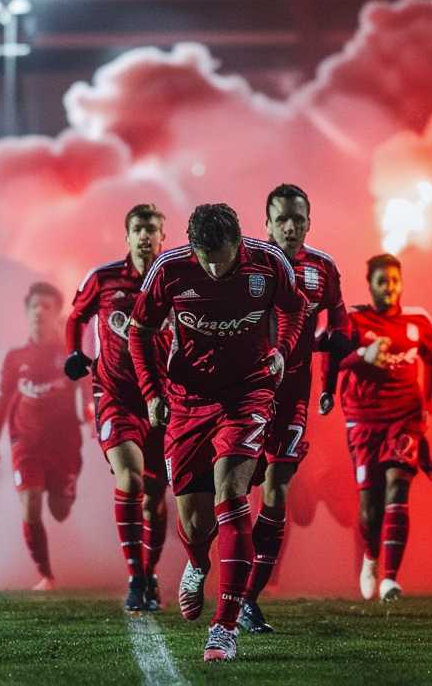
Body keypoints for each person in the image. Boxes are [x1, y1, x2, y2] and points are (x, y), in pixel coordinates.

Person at [128, 203, 306, 662]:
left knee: (232, 492)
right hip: (188, 399)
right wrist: (151, 392)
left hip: (248, 393)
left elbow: (294, 309)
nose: (212, 267)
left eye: (220, 259)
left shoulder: (268, 263)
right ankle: (198, 562)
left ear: (238, 245)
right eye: (204, 258)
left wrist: (283, 349)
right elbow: (139, 331)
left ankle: (224, 627)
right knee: (194, 523)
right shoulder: (169, 269)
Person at [239, 183, 349, 633]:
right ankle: (208, 564)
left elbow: (339, 324)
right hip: (244, 393)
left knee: (278, 488)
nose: (290, 226)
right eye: (281, 218)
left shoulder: (322, 268)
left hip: (293, 395)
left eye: (298, 219)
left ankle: (248, 598)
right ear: (266, 222)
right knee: (235, 487)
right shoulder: (246, 263)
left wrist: (331, 382)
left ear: (309, 221)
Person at [64, 204, 171, 611]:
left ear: (164, 237)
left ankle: (149, 571)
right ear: (126, 236)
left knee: (155, 499)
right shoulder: (103, 279)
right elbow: (76, 317)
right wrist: (74, 352)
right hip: (114, 396)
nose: (145, 236)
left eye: (152, 229)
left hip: (162, 402)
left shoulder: (176, 281)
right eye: (138, 229)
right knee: (129, 479)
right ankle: (136, 578)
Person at [334, 253, 432, 603]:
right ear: (371, 285)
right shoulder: (354, 320)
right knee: (370, 507)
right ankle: (371, 559)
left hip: (404, 419)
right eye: (382, 282)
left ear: (401, 283)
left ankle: (391, 579)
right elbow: (335, 359)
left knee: (398, 486)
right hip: (364, 420)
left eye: (394, 281)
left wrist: (428, 408)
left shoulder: (418, 321)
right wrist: (362, 357)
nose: (389, 288)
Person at [0, 282, 84, 590]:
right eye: (34, 306)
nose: (39, 312)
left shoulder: (71, 355)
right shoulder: (15, 357)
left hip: (64, 443)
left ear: (58, 314)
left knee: (59, 511)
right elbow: (3, 399)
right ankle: (46, 574)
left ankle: (67, 490)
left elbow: (88, 392)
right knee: (30, 501)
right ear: (27, 312)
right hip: (24, 440)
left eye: (47, 307)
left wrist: (92, 417)